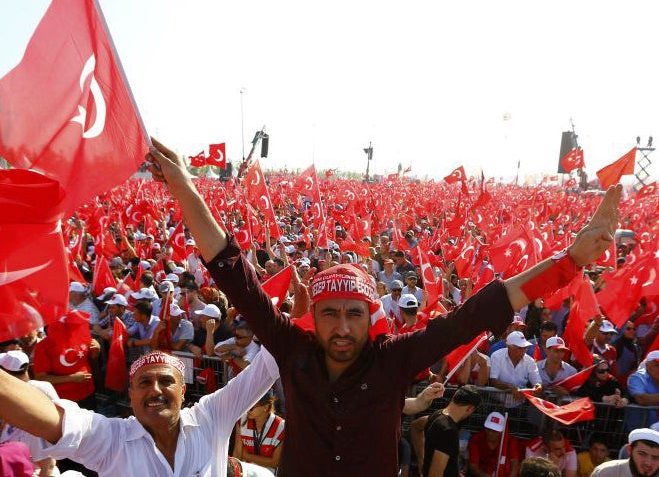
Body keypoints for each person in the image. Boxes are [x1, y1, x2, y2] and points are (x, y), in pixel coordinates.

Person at [146, 137, 621, 476]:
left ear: (371, 316)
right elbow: (234, 272)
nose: (343, 326)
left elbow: (477, 312)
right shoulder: (293, 349)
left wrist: (571, 260)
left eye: (355, 312)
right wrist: (187, 188)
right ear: (316, 317)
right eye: (331, 312)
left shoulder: (396, 358)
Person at [0, 348, 280, 476]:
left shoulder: (211, 417)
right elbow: (53, 420)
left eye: (167, 381)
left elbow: (266, 367)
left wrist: (295, 324)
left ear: (183, 392)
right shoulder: (110, 439)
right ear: (131, 395)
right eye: (144, 383)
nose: (155, 390)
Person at [0, 351, 59, 476]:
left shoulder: (6, 394)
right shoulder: (45, 387)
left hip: (27, 464)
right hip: (41, 458)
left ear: (6, 372)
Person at [421, 385, 482, 477]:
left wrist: (420, 459)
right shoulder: (449, 431)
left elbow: (415, 427)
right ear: (470, 409)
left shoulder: (437, 414)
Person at [233, 390, 284, 474]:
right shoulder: (241, 420)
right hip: (246, 473)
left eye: (251, 407)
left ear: (266, 407)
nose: (247, 410)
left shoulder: (280, 426)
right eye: (247, 405)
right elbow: (237, 454)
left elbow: (275, 462)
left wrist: (246, 455)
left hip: (268, 474)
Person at [490, 331, 543, 407]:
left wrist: (538, 387)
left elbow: (537, 382)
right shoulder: (497, 356)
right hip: (496, 404)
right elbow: (493, 381)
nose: (524, 350)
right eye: (520, 348)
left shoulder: (530, 361)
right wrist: (511, 387)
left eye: (525, 347)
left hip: (520, 406)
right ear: (509, 346)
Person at [467, 411, 522, 477]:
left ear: (502, 431)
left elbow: (515, 465)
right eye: (488, 429)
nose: (490, 433)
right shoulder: (476, 439)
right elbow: (473, 467)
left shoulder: (511, 441)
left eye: (494, 431)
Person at [591, 428, 659, 477]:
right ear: (630, 450)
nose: (648, 463)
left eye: (656, 458)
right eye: (642, 454)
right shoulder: (604, 472)